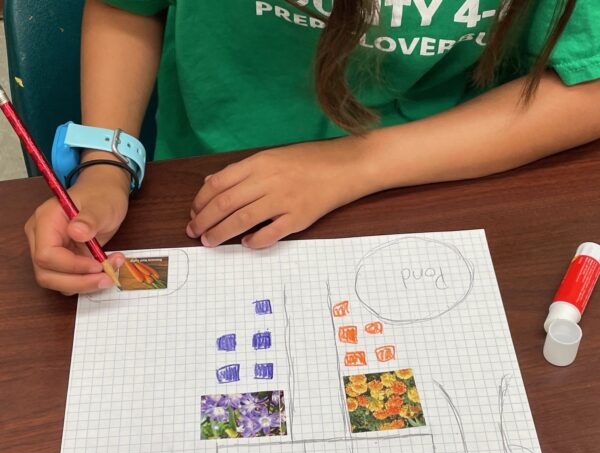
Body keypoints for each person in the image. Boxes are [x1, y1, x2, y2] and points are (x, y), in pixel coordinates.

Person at [24, 0, 600, 294]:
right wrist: (105, 164)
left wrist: (359, 163)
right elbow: (128, 7)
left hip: (444, 173)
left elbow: (588, 86)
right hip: (211, 185)